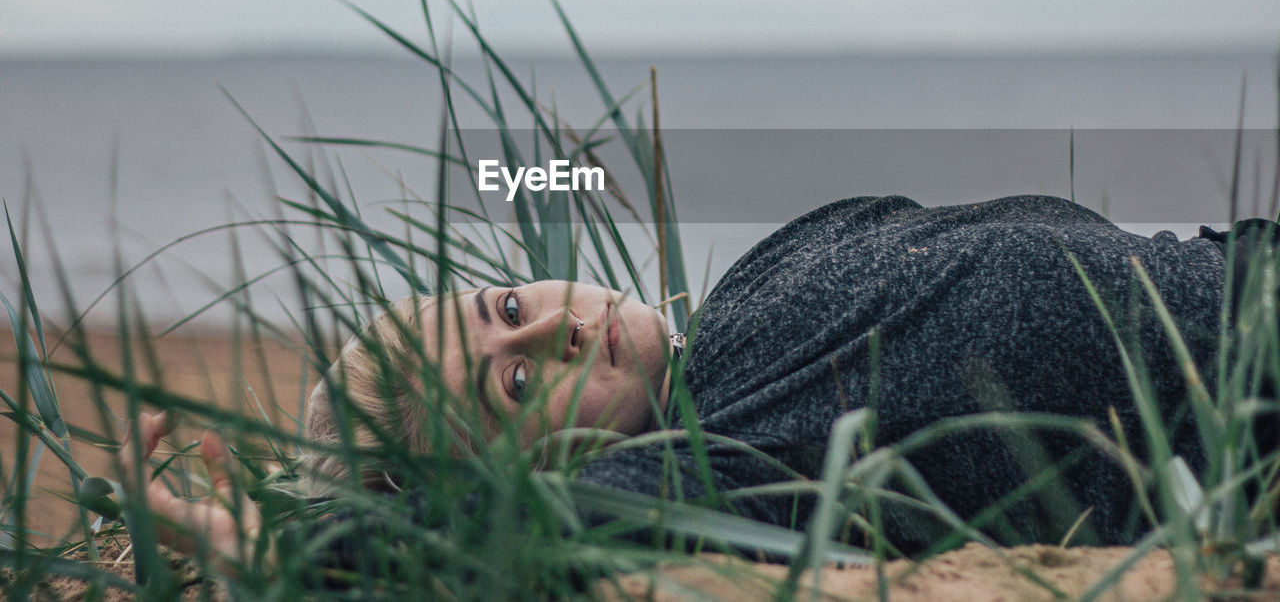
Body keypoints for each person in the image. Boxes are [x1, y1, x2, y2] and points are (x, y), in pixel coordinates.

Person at [125, 193, 1267, 569]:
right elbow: (503, 536)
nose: (552, 337)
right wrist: (298, 546)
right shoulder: (719, 465)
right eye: (513, 390)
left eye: (507, 309)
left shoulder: (771, 267)